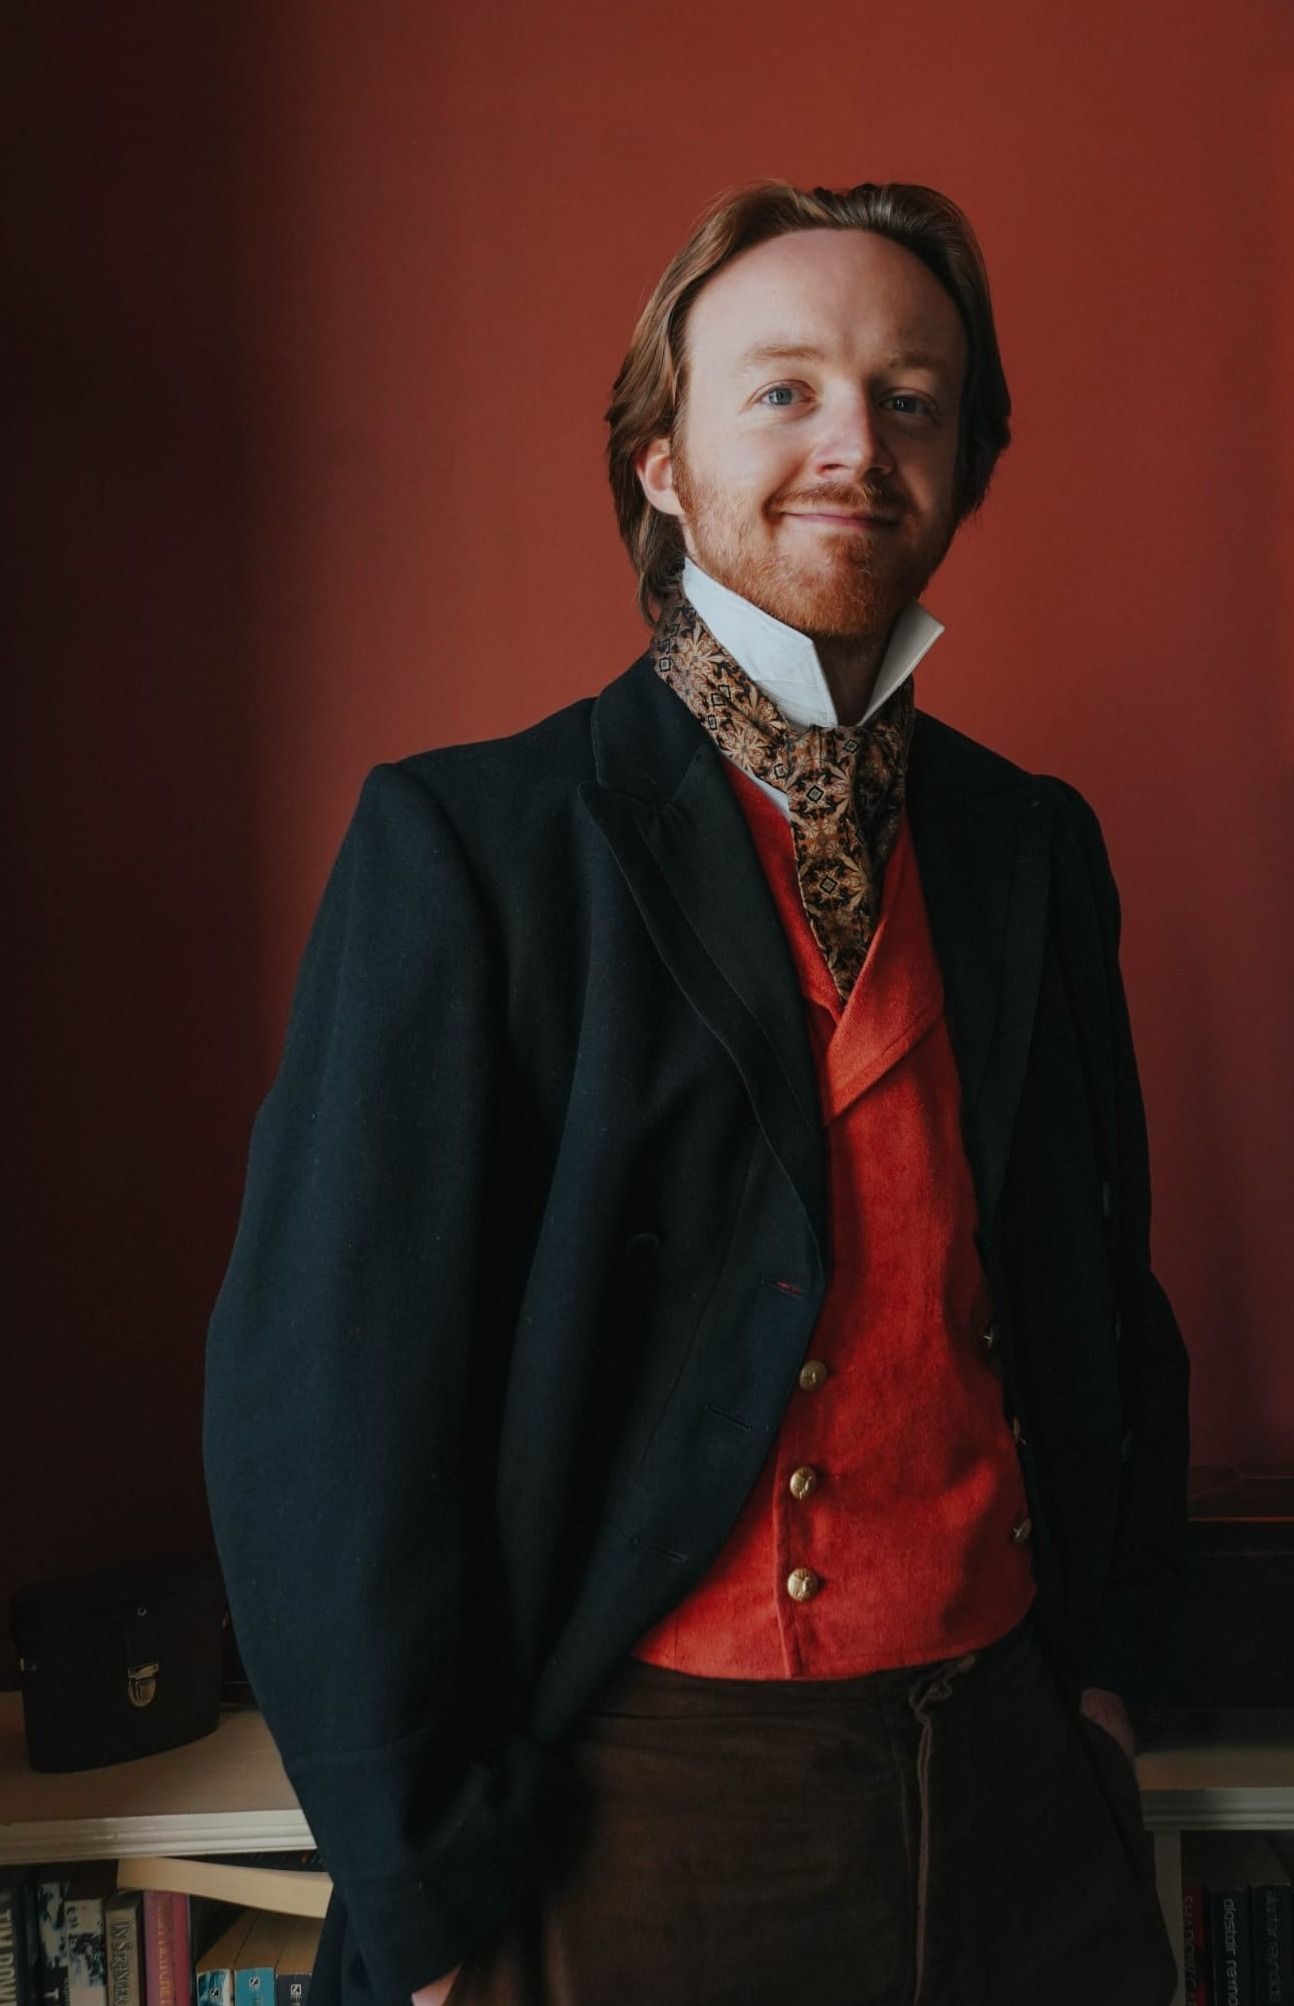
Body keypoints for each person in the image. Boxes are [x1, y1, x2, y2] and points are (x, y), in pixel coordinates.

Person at [203, 178, 1190, 2006]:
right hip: (635, 1816)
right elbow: (317, 1407)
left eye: (910, 398)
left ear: (964, 463)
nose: (855, 441)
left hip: (1019, 1794)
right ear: (659, 462)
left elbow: (1100, 1300)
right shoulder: (469, 848)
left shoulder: (1029, 845)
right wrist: (423, 1899)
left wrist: (1109, 1690)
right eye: (784, 389)